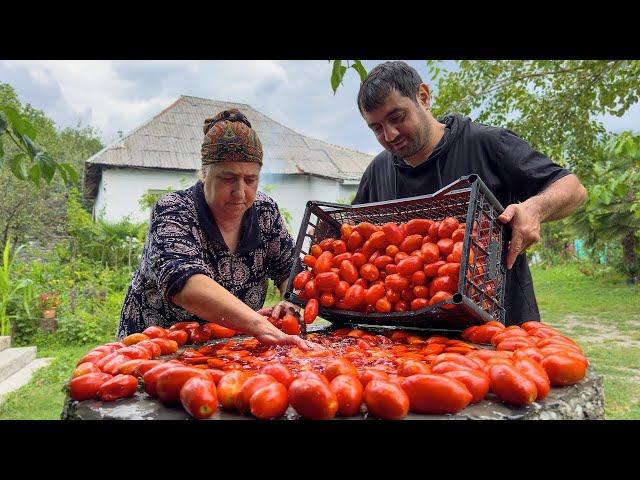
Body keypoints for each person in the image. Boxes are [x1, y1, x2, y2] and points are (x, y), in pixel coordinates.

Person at [353, 61, 587, 325]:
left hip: (499, 328)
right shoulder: (377, 171)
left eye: (397, 118)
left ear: (423, 97)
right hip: (413, 339)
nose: (390, 134)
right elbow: (351, 240)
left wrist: (535, 208)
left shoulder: (488, 144)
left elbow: (572, 187)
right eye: (377, 128)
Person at [117, 109, 317, 349]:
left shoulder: (265, 212)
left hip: (229, 349)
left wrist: (291, 302)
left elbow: (289, 271)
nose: (240, 192)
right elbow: (185, 285)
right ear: (204, 173)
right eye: (227, 178)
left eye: (250, 180)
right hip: (157, 352)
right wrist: (260, 326)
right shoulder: (173, 210)